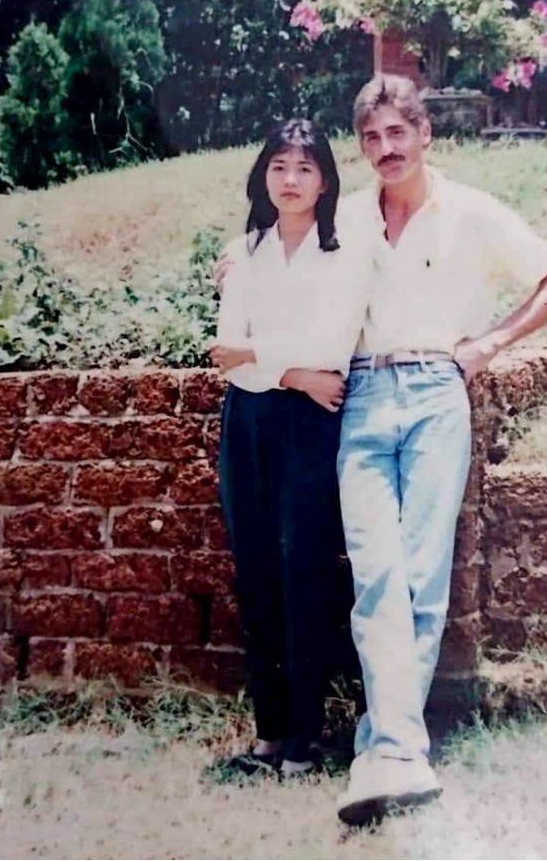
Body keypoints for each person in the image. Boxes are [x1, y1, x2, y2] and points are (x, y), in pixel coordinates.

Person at [333, 74, 547, 825]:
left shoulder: (469, 211)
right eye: (372, 138)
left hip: (438, 395)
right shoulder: (345, 218)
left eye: (397, 133)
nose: (386, 150)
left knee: (420, 571)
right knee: (376, 572)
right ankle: (394, 748)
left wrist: (489, 346)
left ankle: (389, 751)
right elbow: (285, 266)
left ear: (425, 133)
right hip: (362, 400)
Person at [209, 119, 370, 780]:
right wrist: (292, 370)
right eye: (279, 166)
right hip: (248, 421)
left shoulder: (344, 253)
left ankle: (307, 736)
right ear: (263, 176)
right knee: (254, 573)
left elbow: (334, 349)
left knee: (303, 570)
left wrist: (265, 354)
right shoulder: (243, 250)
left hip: (309, 429)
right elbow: (226, 355)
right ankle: (270, 733)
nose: (291, 180)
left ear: (324, 180)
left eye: (304, 168)